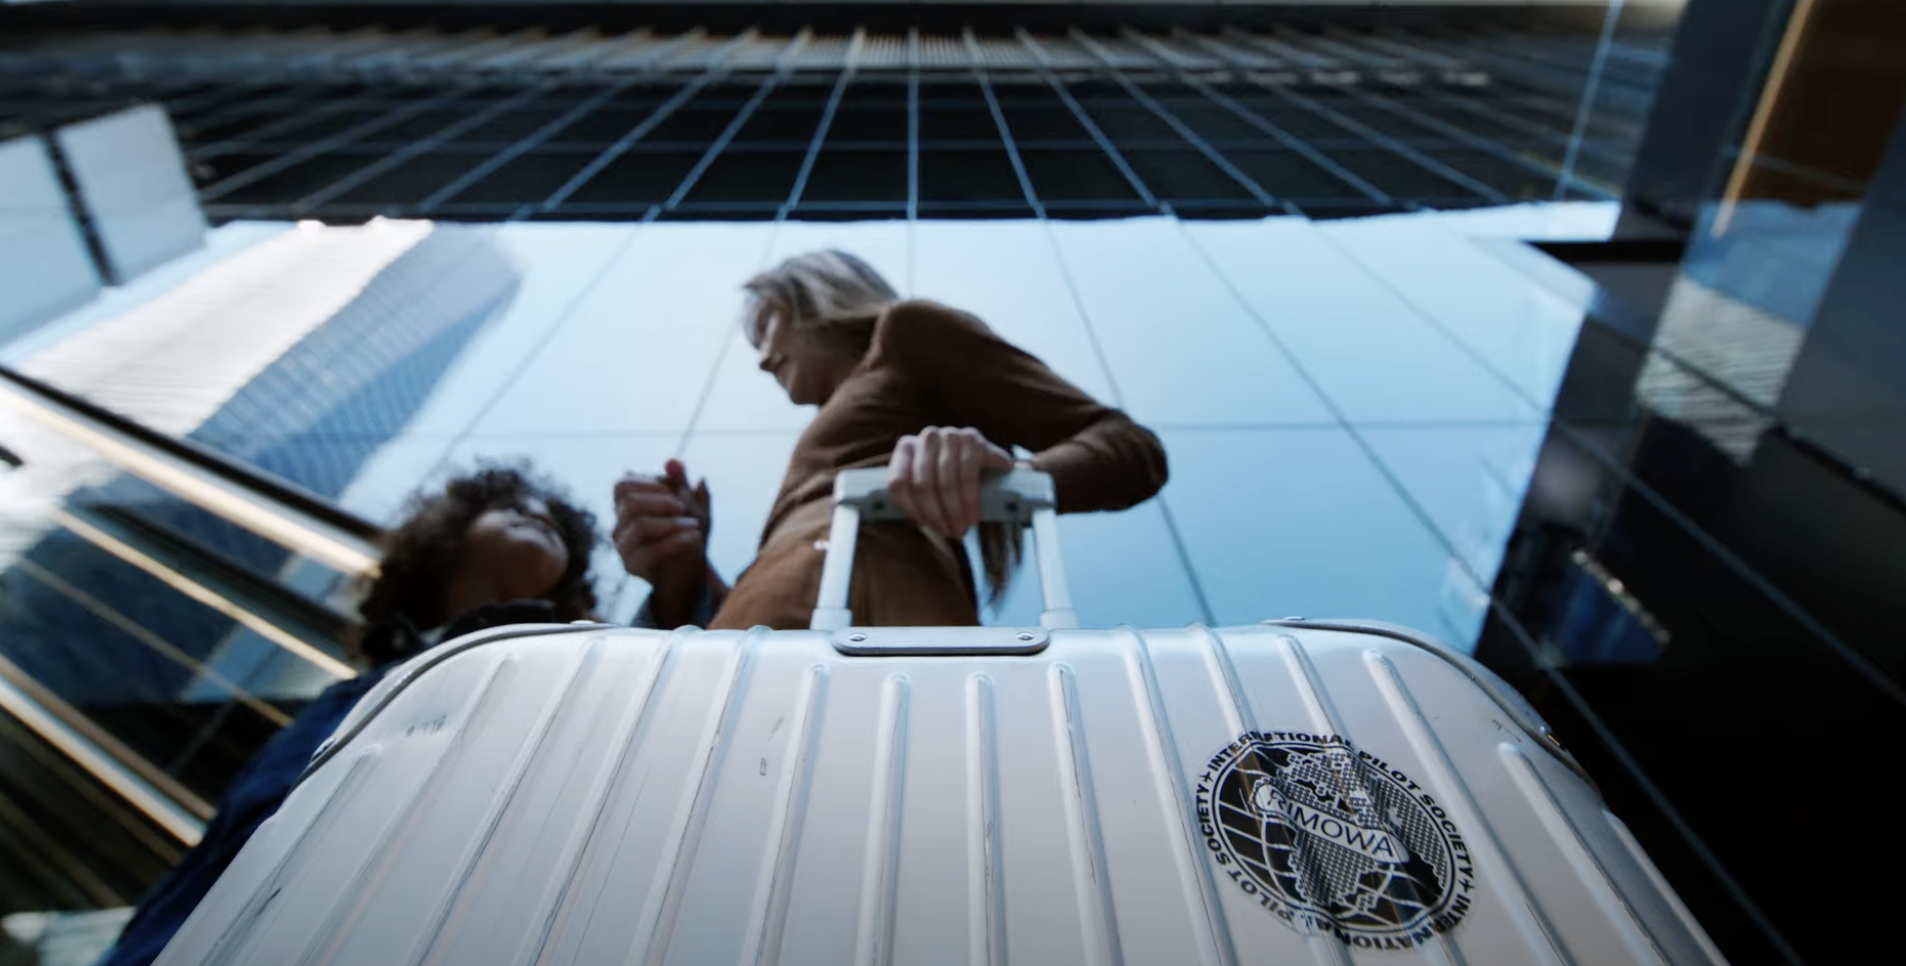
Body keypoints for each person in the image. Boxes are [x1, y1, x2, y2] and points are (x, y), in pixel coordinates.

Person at [98, 466, 599, 966]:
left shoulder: (579, 664)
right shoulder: (349, 695)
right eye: (514, 507)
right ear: (450, 535)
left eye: (554, 524)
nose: (538, 516)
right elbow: (227, 846)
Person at [617, 250, 1167, 630]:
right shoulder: (830, 427)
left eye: (767, 325)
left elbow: (1130, 447)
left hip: (876, 611)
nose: (762, 359)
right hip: (759, 636)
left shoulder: (907, 332)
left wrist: (1003, 481)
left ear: (816, 301)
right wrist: (687, 562)